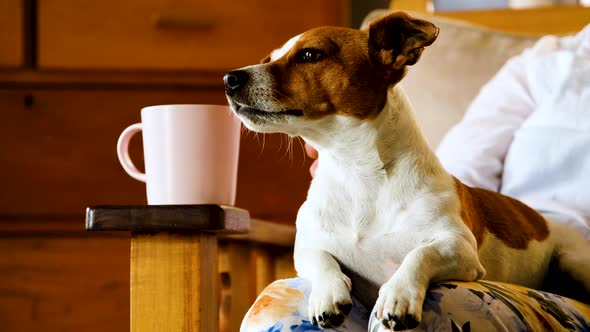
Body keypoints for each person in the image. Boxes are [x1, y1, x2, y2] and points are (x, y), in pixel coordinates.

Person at [242, 25, 590, 332]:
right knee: (278, 318)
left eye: (307, 56)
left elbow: (458, 245)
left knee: (416, 318)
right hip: (454, 217)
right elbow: (460, 170)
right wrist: (363, 170)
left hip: (563, 256)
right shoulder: (548, 64)